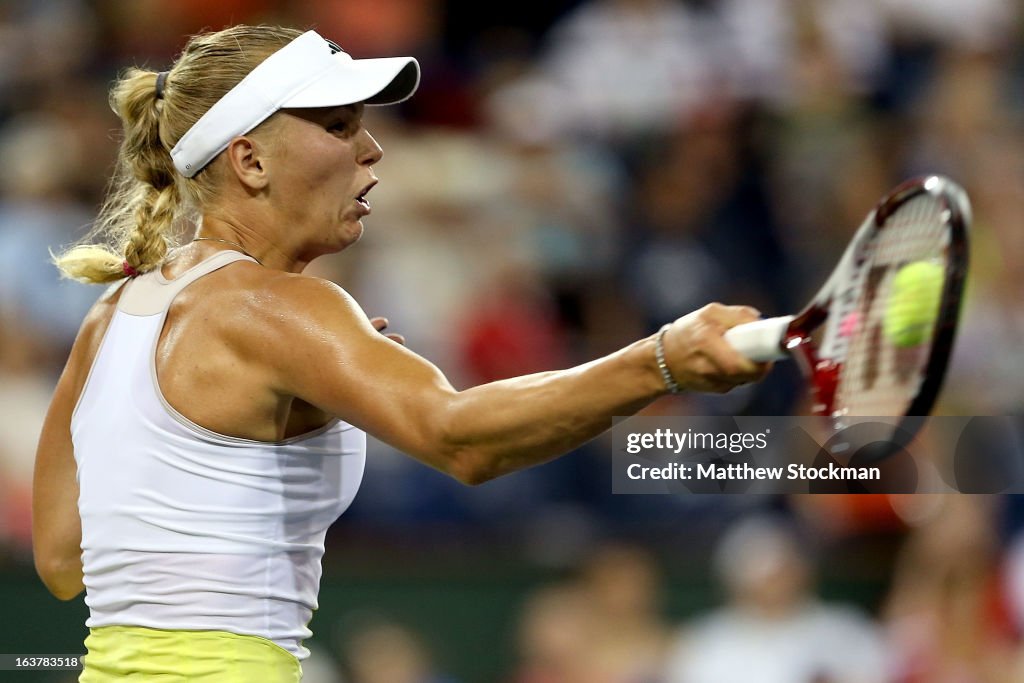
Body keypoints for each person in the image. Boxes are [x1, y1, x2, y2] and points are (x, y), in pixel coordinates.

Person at [30, 24, 768, 682]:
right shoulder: (280, 309)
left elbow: (63, 561)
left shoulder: (111, 315)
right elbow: (462, 438)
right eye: (339, 124)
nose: (372, 148)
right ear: (250, 160)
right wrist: (660, 361)